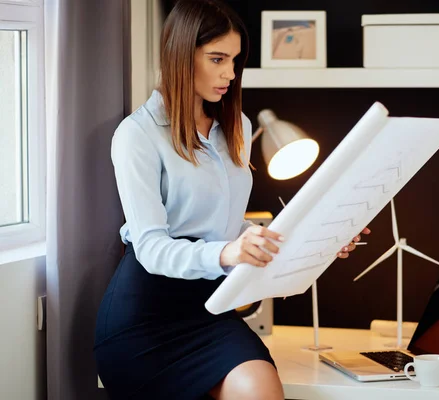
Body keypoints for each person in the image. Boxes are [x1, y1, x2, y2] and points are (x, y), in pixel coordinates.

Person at [93, 1, 370, 399]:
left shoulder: (235, 126)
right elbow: (152, 248)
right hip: (144, 321)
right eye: (217, 59)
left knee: (261, 387)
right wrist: (228, 253)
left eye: (235, 60)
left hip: (210, 310)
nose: (230, 73)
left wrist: (321, 237)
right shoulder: (137, 135)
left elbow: (228, 226)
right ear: (179, 54)